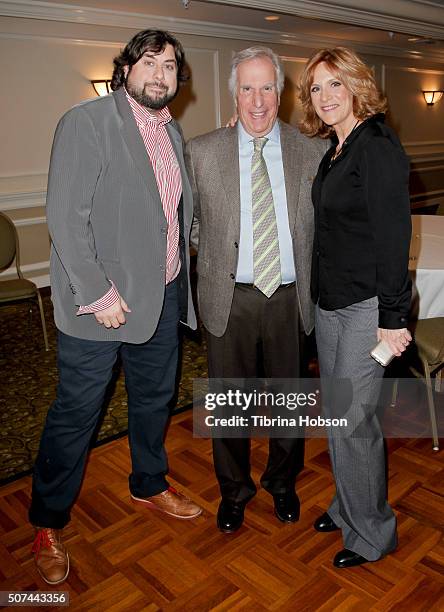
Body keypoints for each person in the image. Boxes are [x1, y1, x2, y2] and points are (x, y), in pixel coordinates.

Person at [29, 29, 202, 585]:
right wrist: (97, 292)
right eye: (149, 63)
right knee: (76, 415)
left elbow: (166, 215)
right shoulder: (87, 122)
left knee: (155, 400)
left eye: (171, 66)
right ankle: (47, 520)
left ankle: (149, 483)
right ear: (125, 69)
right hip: (101, 304)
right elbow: (65, 219)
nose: (160, 74)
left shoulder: (172, 132)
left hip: (163, 294)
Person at [185, 46, 326, 533]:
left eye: (267, 86)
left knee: (290, 400)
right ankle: (234, 491)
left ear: (282, 92)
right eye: (248, 87)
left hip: (291, 296)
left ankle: (282, 484)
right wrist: (228, 256)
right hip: (231, 298)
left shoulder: (313, 151)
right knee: (228, 404)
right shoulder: (202, 152)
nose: (258, 99)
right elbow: (194, 226)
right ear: (234, 94)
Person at [299, 46, 412, 568]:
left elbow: (393, 237)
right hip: (332, 303)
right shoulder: (336, 149)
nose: (324, 97)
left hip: (368, 307)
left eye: (334, 84)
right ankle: (347, 506)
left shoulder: (377, 145)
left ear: (355, 85)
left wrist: (393, 319)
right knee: (338, 411)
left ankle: (372, 534)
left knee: (353, 420)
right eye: (316, 87)